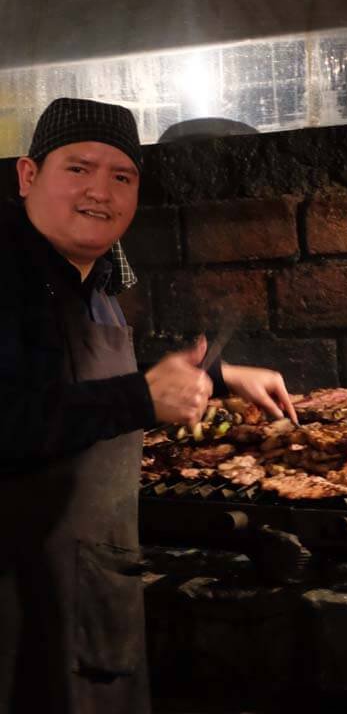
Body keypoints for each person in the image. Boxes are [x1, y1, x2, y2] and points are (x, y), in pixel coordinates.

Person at [0, 98, 297, 713]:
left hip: (85, 590)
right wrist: (140, 396)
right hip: (16, 608)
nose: (99, 192)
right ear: (28, 175)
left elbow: (63, 388)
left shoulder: (91, 279)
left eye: (122, 177)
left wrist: (216, 375)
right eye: (78, 169)